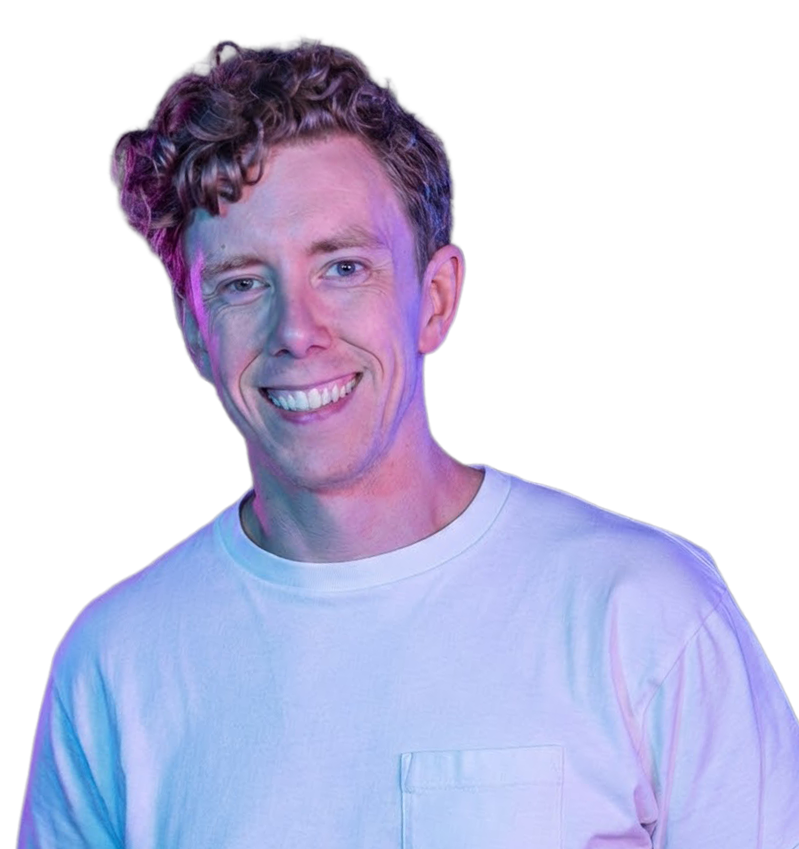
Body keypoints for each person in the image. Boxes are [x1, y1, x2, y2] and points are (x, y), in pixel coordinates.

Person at [18, 40, 799, 849]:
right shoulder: (116, 665)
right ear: (193, 330)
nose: (296, 331)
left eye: (343, 268)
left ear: (435, 298)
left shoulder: (642, 613)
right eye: (242, 283)